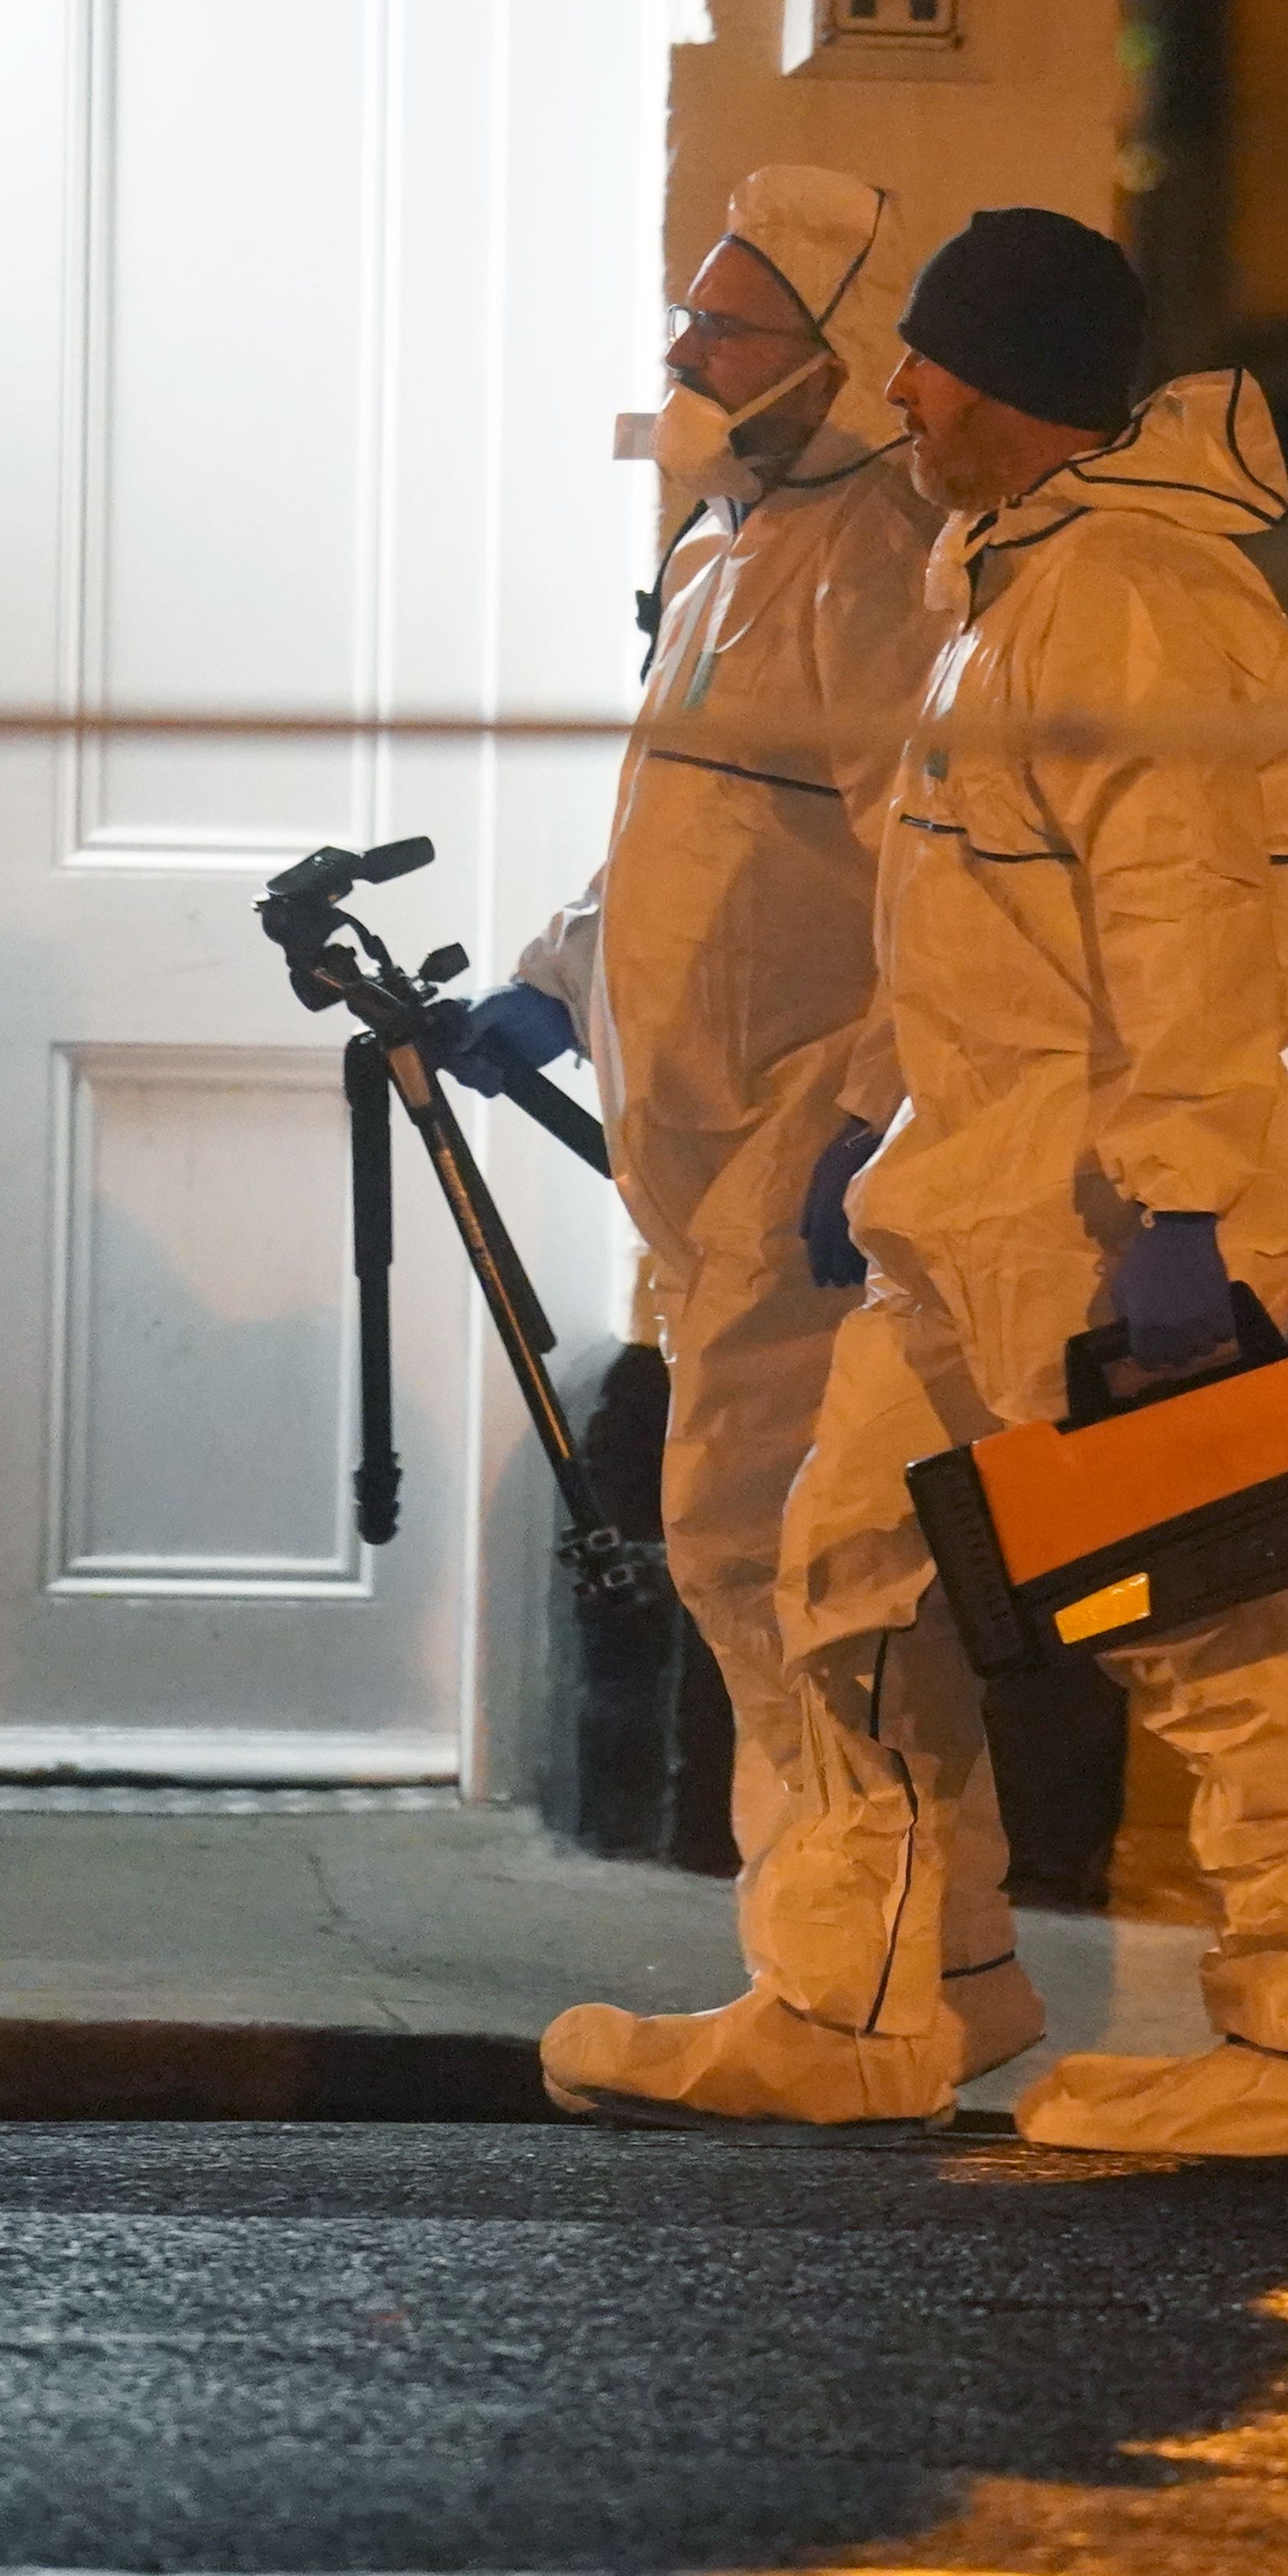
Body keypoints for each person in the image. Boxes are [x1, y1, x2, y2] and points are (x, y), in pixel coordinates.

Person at [545, 208, 1288, 2159]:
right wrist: (896, 1120)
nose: (903, 390)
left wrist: (1188, 1212)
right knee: (834, 1580)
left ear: (1005, 380)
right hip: (972, 1206)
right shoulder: (1013, 582)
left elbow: (1192, 923)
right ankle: (860, 2000)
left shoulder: (1134, 603)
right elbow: (991, 918)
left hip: (1106, 1225)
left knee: (1221, 1627)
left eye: (930, 360)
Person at [447, 167, 1046, 2099]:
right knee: (823, 1563)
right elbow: (686, 825)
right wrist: (560, 971)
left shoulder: (879, 554)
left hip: (801, 1152)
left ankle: (837, 2000)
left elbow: (924, 882)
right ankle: (946, 1951)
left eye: (727, 321)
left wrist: (861, 1121)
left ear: (844, 349)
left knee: (762, 1547)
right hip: (713, 1149)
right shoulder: (737, 534)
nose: (685, 349)